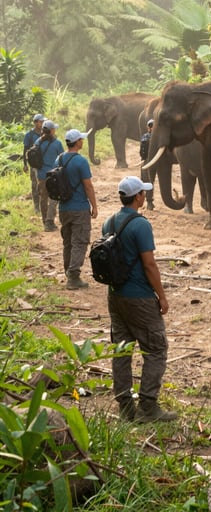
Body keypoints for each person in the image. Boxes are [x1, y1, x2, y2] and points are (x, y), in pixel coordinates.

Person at [107, 176, 176, 423]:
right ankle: (148, 406)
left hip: (115, 296)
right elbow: (149, 264)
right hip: (140, 298)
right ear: (137, 197)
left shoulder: (109, 221)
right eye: (143, 193)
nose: (144, 196)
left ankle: (125, 406)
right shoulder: (141, 225)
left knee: (122, 350)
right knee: (156, 348)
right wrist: (162, 296)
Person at [57, 128, 98, 289]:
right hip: (79, 207)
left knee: (68, 242)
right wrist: (94, 206)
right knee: (80, 241)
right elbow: (88, 186)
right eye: (81, 139)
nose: (83, 141)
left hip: (64, 208)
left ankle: (68, 270)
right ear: (77, 142)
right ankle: (73, 277)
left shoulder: (58, 159)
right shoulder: (81, 161)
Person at [35, 120, 65, 232]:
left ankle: (45, 221)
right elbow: (62, 158)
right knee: (53, 198)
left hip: (41, 175)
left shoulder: (37, 142)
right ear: (52, 130)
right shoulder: (57, 143)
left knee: (43, 198)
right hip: (53, 175)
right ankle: (49, 221)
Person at [23, 114, 45, 213]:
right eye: (40, 122)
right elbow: (25, 150)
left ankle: (43, 204)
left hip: (44, 163)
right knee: (34, 185)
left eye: (42, 122)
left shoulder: (45, 133)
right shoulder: (29, 135)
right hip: (34, 164)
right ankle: (36, 207)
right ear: (35, 122)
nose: (42, 123)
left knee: (44, 185)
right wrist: (25, 164)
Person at [139, 118, 155, 210]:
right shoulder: (160, 136)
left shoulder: (145, 137)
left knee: (146, 180)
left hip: (147, 161)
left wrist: (143, 158)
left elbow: (142, 151)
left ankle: (149, 202)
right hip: (156, 160)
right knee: (148, 181)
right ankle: (149, 202)